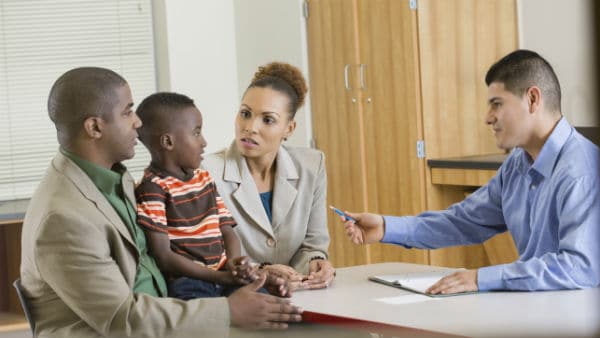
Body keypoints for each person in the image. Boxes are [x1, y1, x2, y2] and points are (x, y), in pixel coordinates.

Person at [19, 67, 302, 338]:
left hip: (168, 314)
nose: (138, 123)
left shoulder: (116, 180)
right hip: (133, 329)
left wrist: (252, 277)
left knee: (297, 325)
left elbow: (168, 256)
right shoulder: (64, 217)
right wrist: (229, 311)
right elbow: (122, 320)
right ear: (94, 127)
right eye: (128, 111)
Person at [341, 49, 600, 294]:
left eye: (497, 104)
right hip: (538, 306)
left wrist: (481, 278)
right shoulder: (516, 164)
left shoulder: (582, 170)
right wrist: (387, 228)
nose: (488, 117)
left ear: (533, 99)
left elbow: (579, 270)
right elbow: (463, 221)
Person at [203, 62, 335, 290]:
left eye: (268, 119)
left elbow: (314, 244)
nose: (250, 127)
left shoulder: (311, 166)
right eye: (245, 114)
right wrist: (259, 270)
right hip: (241, 297)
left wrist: (316, 263)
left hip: (302, 295)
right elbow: (207, 254)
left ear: (289, 129)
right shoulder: (207, 172)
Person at [135, 92, 259, 299]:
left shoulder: (204, 178)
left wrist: (234, 263)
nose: (204, 142)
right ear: (168, 142)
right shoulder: (152, 189)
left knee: (265, 299)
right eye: (196, 133)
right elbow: (165, 257)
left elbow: (227, 231)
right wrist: (219, 278)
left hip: (223, 274)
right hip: (189, 281)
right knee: (203, 318)